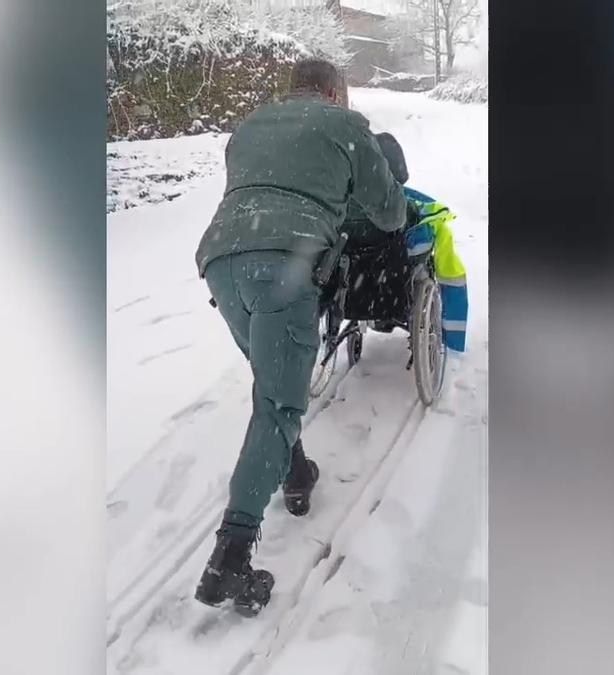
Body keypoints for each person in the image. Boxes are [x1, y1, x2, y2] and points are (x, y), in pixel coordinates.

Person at [192, 58, 407, 615]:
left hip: (220, 261)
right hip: (285, 264)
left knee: (271, 384)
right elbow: (387, 214)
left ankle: (295, 472)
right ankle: (231, 559)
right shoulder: (345, 125)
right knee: (279, 406)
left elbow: (259, 194)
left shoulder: (249, 126)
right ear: (336, 92)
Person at [341, 132, 469, 353]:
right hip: (394, 290)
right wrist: (453, 337)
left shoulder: (340, 210)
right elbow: (451, 275)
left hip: (350, 290)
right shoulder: (412, 209)